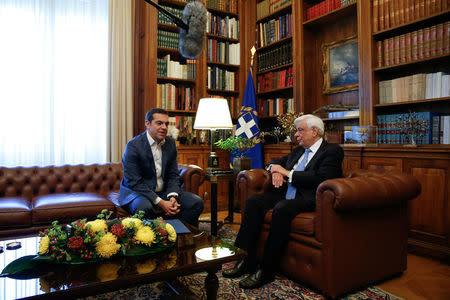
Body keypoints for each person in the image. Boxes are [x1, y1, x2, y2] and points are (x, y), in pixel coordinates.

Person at [223, 114, 344, 289]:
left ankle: (266, 270)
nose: (296, 134)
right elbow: (275, 162)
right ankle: (244, 260)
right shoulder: (299, 150)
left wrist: (287, 173)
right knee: (254, 202)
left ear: (315, 131)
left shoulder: (332, 151)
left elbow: (322, 177)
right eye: (297, 131)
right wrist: (275, 170)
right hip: (286, 193)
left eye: (300, 130)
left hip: (308, 198)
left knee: (282, 208)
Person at [119, 108, 203, 226]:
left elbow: (173, 174)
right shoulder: (133, 146)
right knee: (144, 208)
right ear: (147, 124)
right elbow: (134, 182)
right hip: (138, 192)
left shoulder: (170, 143)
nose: (164, 127)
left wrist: (172, 196)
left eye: (166, 124)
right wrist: (161, 203)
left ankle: (175, 235)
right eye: (159, 123)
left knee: (196, 202)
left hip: (163, 192)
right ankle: (155, 240)